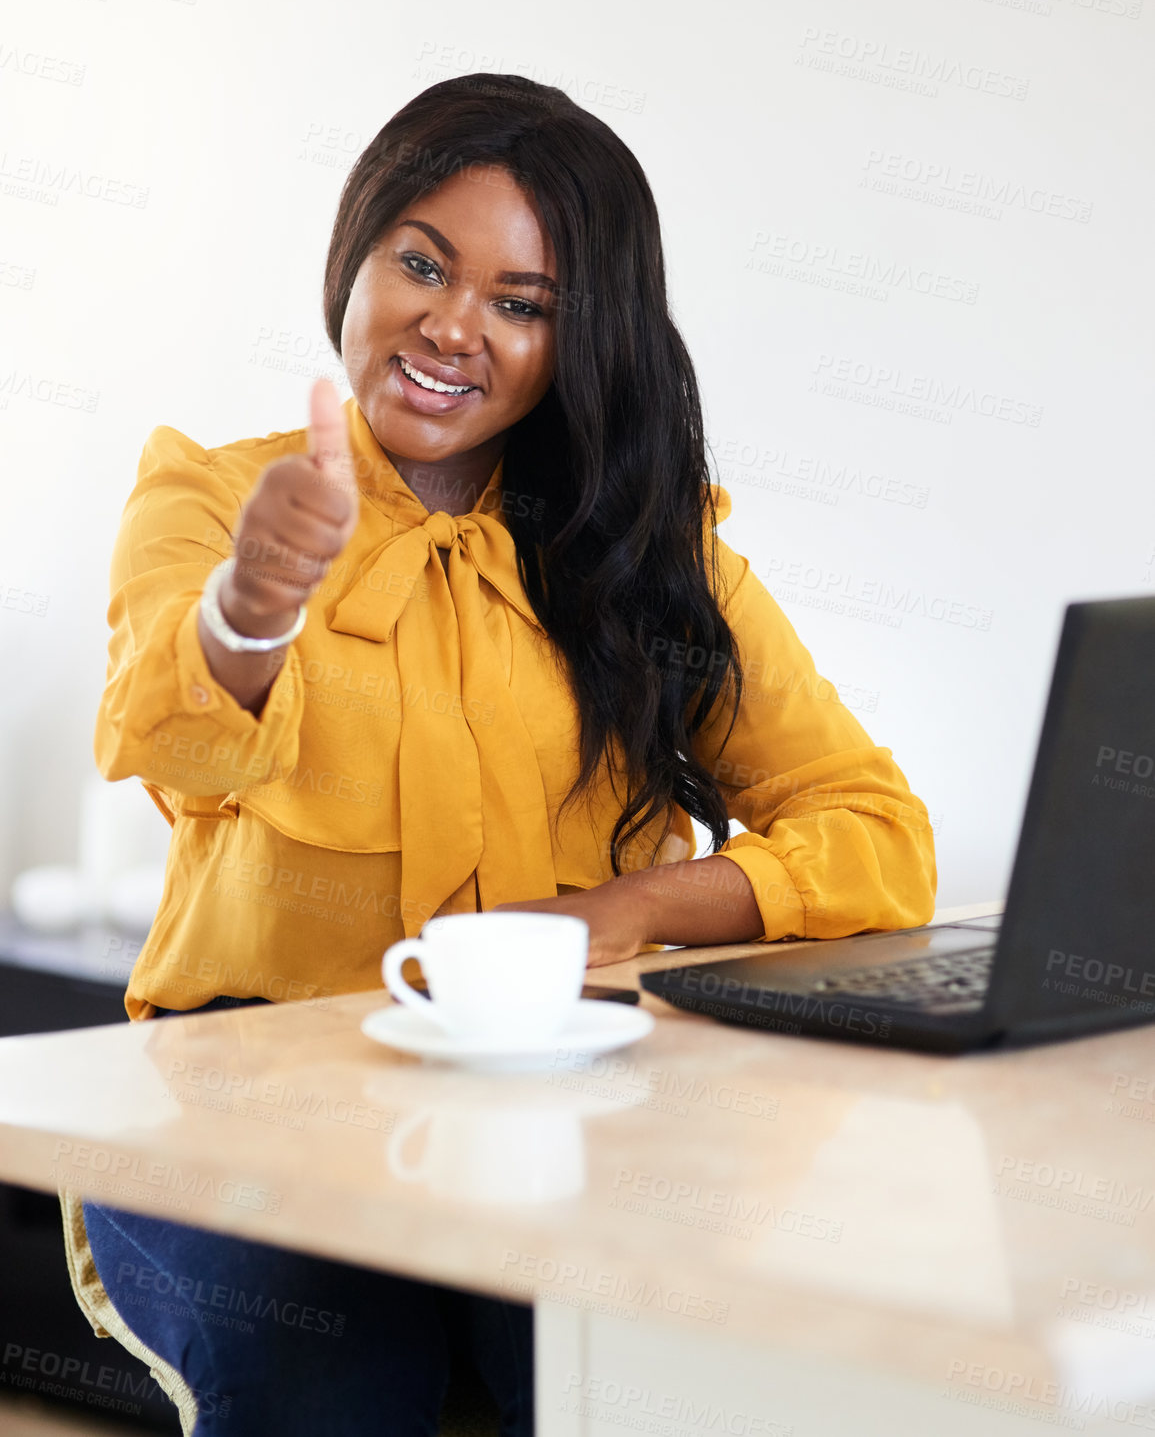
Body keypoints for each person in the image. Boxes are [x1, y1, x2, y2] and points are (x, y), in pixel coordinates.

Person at [63, 74, 936, 1435]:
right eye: (422, 262)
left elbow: (875, 831)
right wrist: (253, 604)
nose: (451, 325)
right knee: (335, 1391)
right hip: (241, 1111)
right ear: (355, 256)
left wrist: (621, 912)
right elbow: (170, 741)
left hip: (557, 1113)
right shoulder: (214, 494)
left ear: (579, 341)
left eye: (521, 303)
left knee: (648, 1382)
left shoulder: (654, 556)